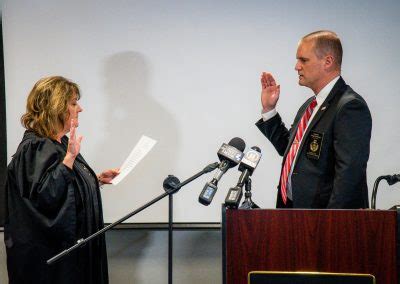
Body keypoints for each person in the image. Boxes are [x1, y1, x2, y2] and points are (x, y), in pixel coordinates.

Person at [4, 76, 119, 283]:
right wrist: (69, 159)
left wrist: (94, 180)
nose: (80, 109)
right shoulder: (35, 147)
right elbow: (44, 198)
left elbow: (64, 188)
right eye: (74, 103)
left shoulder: (60, 142)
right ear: (56, 106)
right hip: (53, 265)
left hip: (75, 255)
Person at [256, 30, 372, 209]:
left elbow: (349, 175)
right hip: (296, 215)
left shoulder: (349, 106)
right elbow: (289, 149)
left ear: (328, 61)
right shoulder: (310, 105)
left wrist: (328, 223)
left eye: (303, 60)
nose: (296, 66)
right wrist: (269, 110)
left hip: (323, 223)